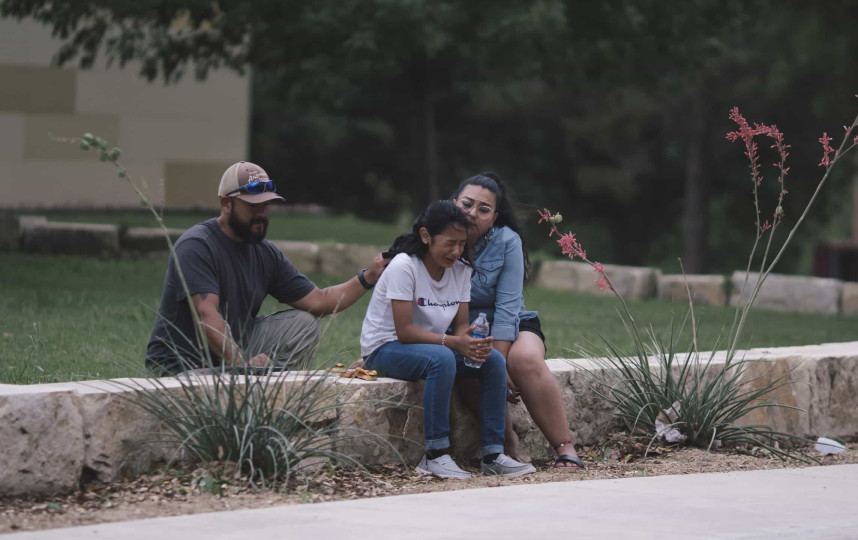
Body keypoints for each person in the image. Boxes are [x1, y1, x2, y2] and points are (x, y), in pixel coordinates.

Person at [145, 161, 388, 375]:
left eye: (266, 206)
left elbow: (320, 301)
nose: (262, 213)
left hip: (231, 356)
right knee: (223, 369)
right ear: (226, 203)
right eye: (253, 206)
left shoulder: (264, 253)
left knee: (304, 324)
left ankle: (270, 395)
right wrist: (243, 364)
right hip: (181, 364)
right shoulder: (197, 245)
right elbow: (207, 317)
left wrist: (369, 276)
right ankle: (245, 381)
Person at [360, 200, 536, 479]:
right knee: (441, 359)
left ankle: (493, 454)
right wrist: (454, 343)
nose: (456, 251)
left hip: (432, 347)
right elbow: (404, 332)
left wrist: (476, 341)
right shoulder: (405, 266)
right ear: (426, 236)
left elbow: (461, 327)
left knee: (492, 360)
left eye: (462, 244)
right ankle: (435, 455)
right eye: (450, 243)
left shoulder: (462, 269)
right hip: (386, 347)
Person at [452, 173, 584, 469]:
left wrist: (498, 360)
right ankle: (507, 439)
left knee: (524, 359)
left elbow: (509, 306)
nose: (473, 213)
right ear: (454, 203)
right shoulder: (437, 235)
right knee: (471, 365)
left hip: (511, 324)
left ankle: (566, 448)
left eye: (483, 209)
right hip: (463, 330)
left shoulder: (507, 242)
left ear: (494, 216)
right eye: (467, 204)